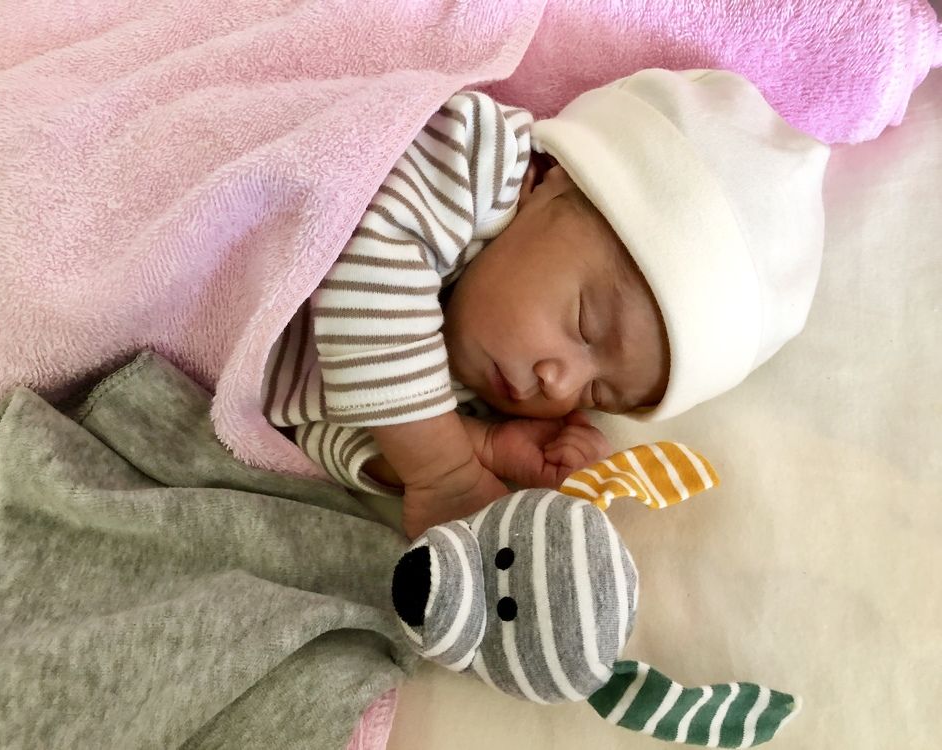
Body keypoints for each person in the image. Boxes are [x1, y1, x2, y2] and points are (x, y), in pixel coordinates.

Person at [262, 68, 829, 539]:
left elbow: (311, 424)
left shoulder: (463, 389)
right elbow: (364, 259)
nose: (560, 385)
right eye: (585, 324)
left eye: (597, 393)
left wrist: (480, 445)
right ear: (550, 179)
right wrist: (443, 469)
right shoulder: (476, 157)